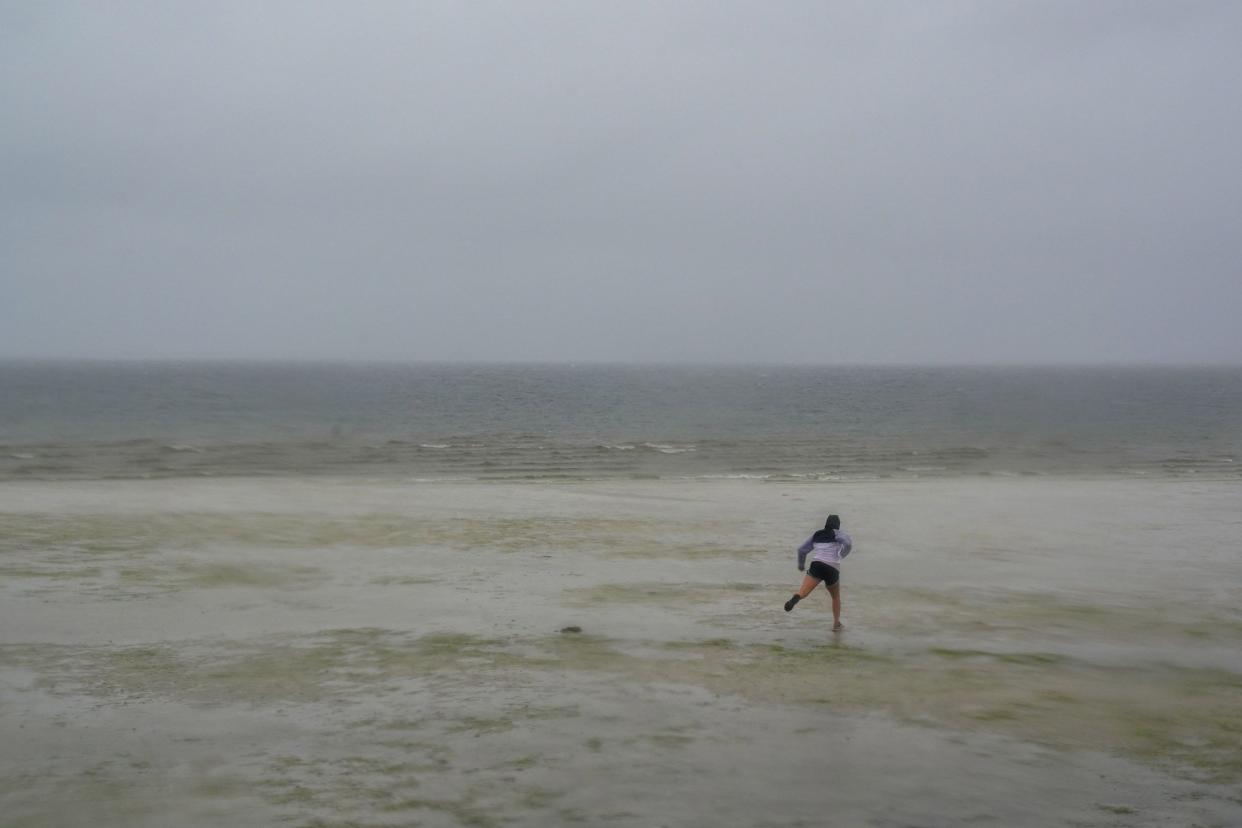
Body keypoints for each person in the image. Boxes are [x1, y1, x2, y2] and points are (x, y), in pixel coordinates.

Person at [783, 514, 852, 630]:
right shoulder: (838, 533)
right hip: (832, 568)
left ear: (826, 523)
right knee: (835, 597)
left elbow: (801, 550)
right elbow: (848, 544)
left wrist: (801, 565)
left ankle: (795, 598)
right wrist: (841, 554)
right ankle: (836, 624)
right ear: (838, 525)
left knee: (803, 592)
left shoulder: (816, 534)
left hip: (817, 565)